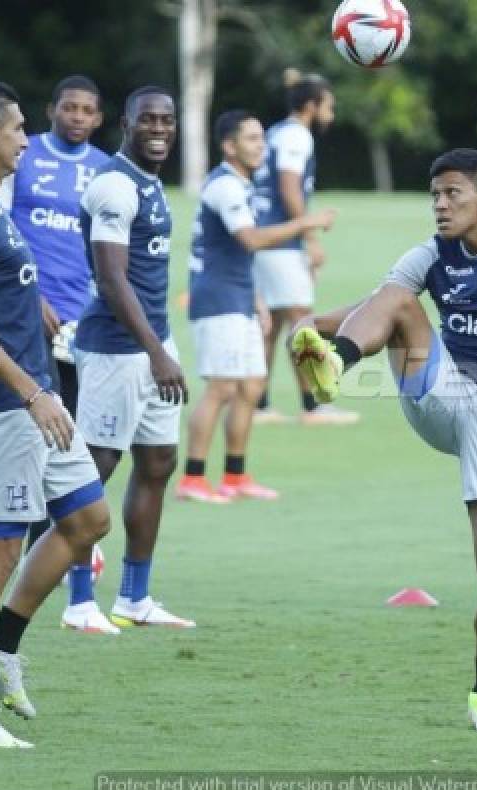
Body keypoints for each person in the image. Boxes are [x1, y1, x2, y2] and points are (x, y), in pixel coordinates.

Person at [289, 149, 477, 734]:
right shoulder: (430, 254)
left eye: (452, 193)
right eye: (434, 194)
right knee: (402, 298)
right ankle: (337, 368)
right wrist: (313, 329)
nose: (439, 204)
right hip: (446, 392)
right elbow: (379, 303)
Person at [0, 79, 111, 747]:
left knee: (88, 518)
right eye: (19, 129)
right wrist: (33, 394)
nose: (28, 140)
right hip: (5, 409)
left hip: (36, 399)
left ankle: (1, 650)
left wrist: (32, 308)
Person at [70, 86, 196, 630]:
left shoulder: (149, 181)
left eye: (167, 120)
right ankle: (78, 601)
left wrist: (161, 349)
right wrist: (155, 354)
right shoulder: (116, 186)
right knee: (94, 468)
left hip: (152, 345)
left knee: (158, 462)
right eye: (149, 119)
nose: (160, 129)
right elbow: (111, 278)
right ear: (126, 122)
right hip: (116, 352)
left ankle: (133, 598)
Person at [0, 75, 113, 629]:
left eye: (87, 110)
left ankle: (65, 556)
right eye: (68, 106)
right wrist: (32, 293)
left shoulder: (106, 169)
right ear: (51, 111)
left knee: (77, 439)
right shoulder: (25, 155)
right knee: (41, 436)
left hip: (85, 322)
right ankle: (48, 561)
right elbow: (5, 225)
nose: (76, 115)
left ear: (97, 118)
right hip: (32, 318)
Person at [176, 110, 335, 503]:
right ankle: (193, 479)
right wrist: (305, 225)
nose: (260, 146)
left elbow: (239, 253)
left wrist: (258, 300)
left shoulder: (241, 184)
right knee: (221, 388)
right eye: (250, 139)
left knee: (248, 388)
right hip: (217, 299)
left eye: (262, 139)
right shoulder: (226, 187)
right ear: (229, 146)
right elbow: (249, 240)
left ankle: (235, 476)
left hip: (240, 297)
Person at [251, 70, 356, 425]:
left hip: (266, 240)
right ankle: (313, 407)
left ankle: (259, 405)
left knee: (275, 324)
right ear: (311, 106)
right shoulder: (297, 136)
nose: (331, 112)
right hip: (282, 243)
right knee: (302, 324)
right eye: (328, 105)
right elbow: (289, 189)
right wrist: (310, 238)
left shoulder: (278, 131)